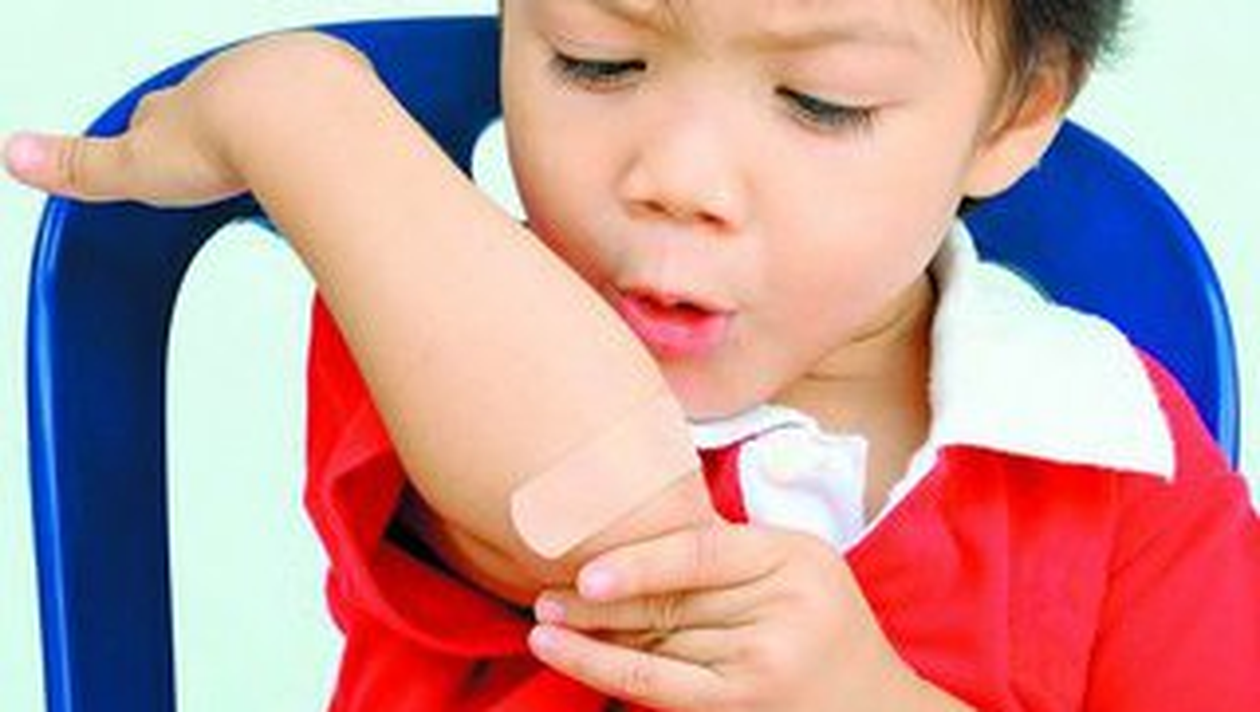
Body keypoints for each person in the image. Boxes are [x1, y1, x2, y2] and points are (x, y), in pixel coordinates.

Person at [7, 0, 1260, 710]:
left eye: (823, 102)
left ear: (1015, 116)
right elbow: (599, 516)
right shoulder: (439, 314)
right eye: (594, 61)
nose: (678, 177)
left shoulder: (1113, 449)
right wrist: (305, 113)